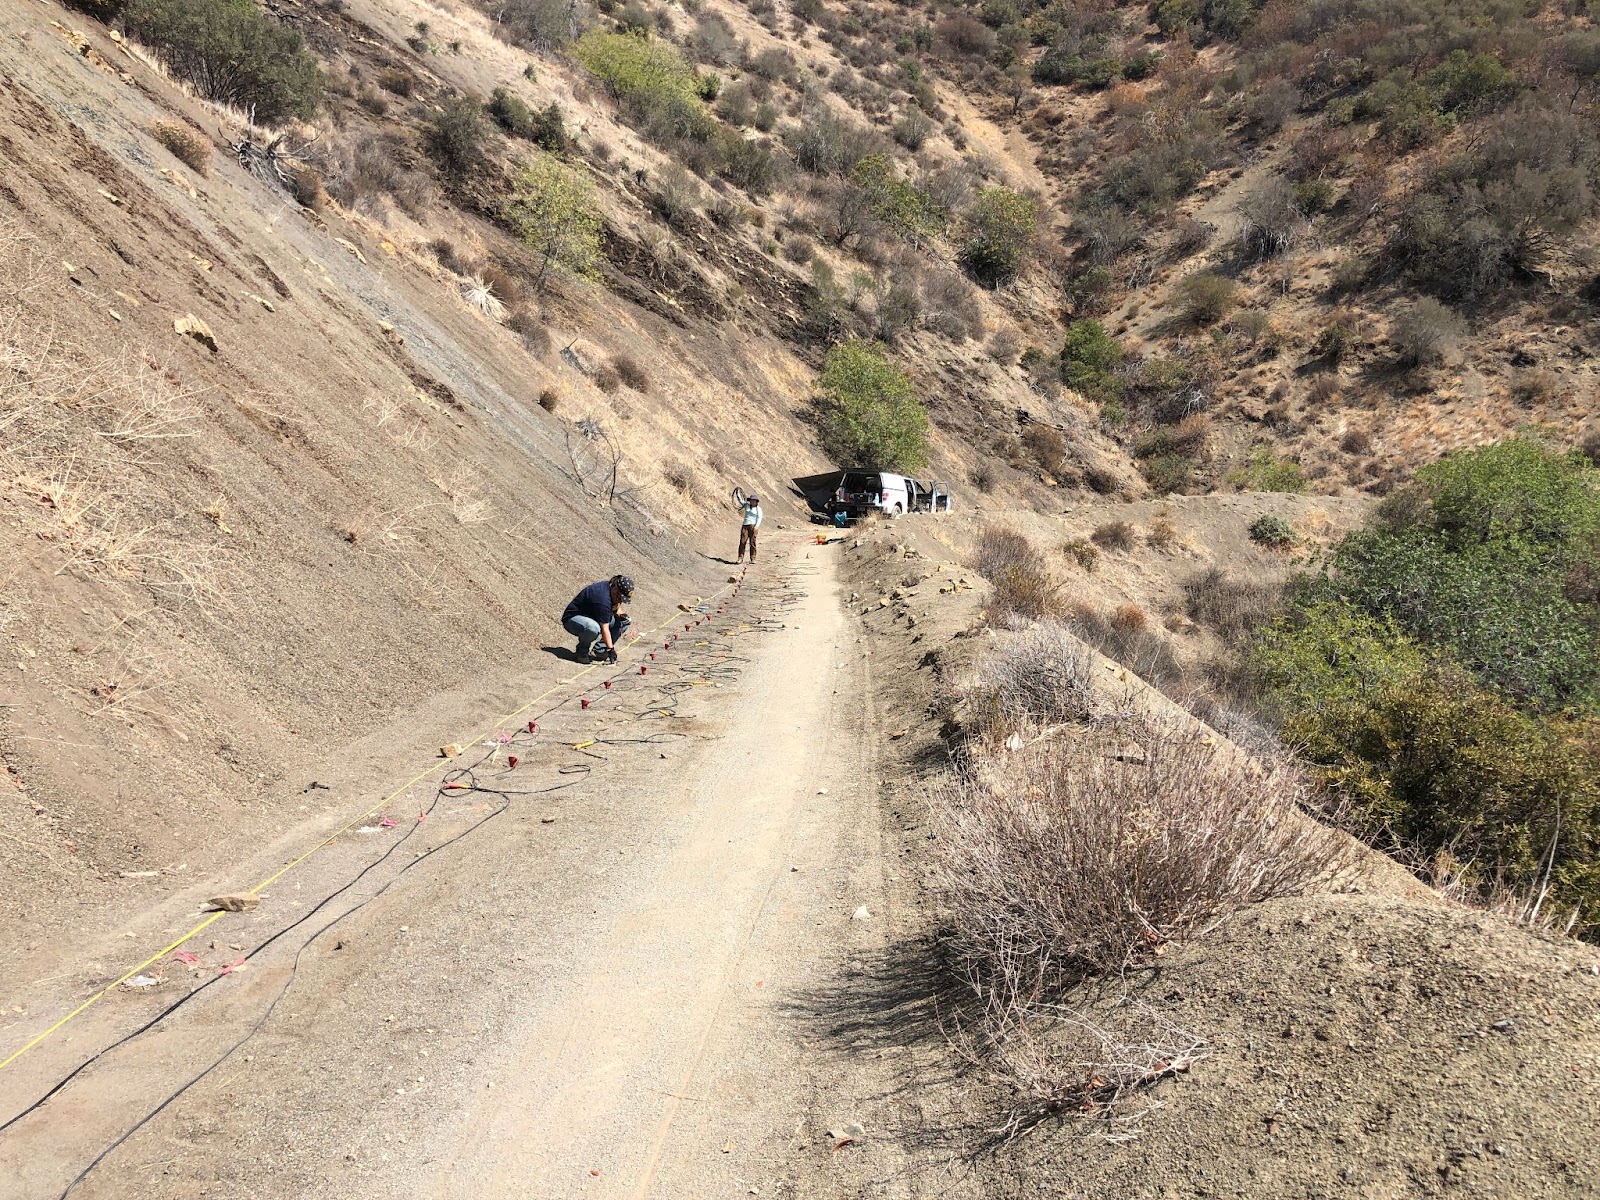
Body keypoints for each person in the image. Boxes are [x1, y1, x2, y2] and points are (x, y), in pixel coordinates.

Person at [562, 575, 633, 663]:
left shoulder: (611, 589)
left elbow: (617, 607)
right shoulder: (603, 599)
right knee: (593, 628)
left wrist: (622, 616)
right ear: (615, 589)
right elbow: (605, 629)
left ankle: (600, 650)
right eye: (620, 597)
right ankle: (581, 652)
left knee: (623, 623)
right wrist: (611, 650)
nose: (620, 600)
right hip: (573, 619)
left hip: (593, 616)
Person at [738, 493, 762, 563]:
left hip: (753, 526)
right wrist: (738, 493)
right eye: (751, 500)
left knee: (752, 542)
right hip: (745, 525)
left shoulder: (758, 509)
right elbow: (741, 501)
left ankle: (753, 558)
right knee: (742, 541)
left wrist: (757, 526)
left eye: (753, 500)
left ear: (756, 501)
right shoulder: (746, 506)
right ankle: (740, 557)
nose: (752, 502)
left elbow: (759, 518)